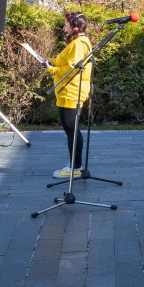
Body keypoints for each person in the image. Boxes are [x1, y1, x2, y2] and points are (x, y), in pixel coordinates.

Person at [45, 12, 93, 179]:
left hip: (71, 92)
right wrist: (51, 61)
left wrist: (52, 70)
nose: (63, 27)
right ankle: (75, 164)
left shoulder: (78, 44)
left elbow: (71, 69)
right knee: (72, 130)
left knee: (71, 130)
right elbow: (67, 62)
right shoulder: (78, 42)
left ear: (74, 27)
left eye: (66, 24)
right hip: (69, 91)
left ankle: (76, 167)